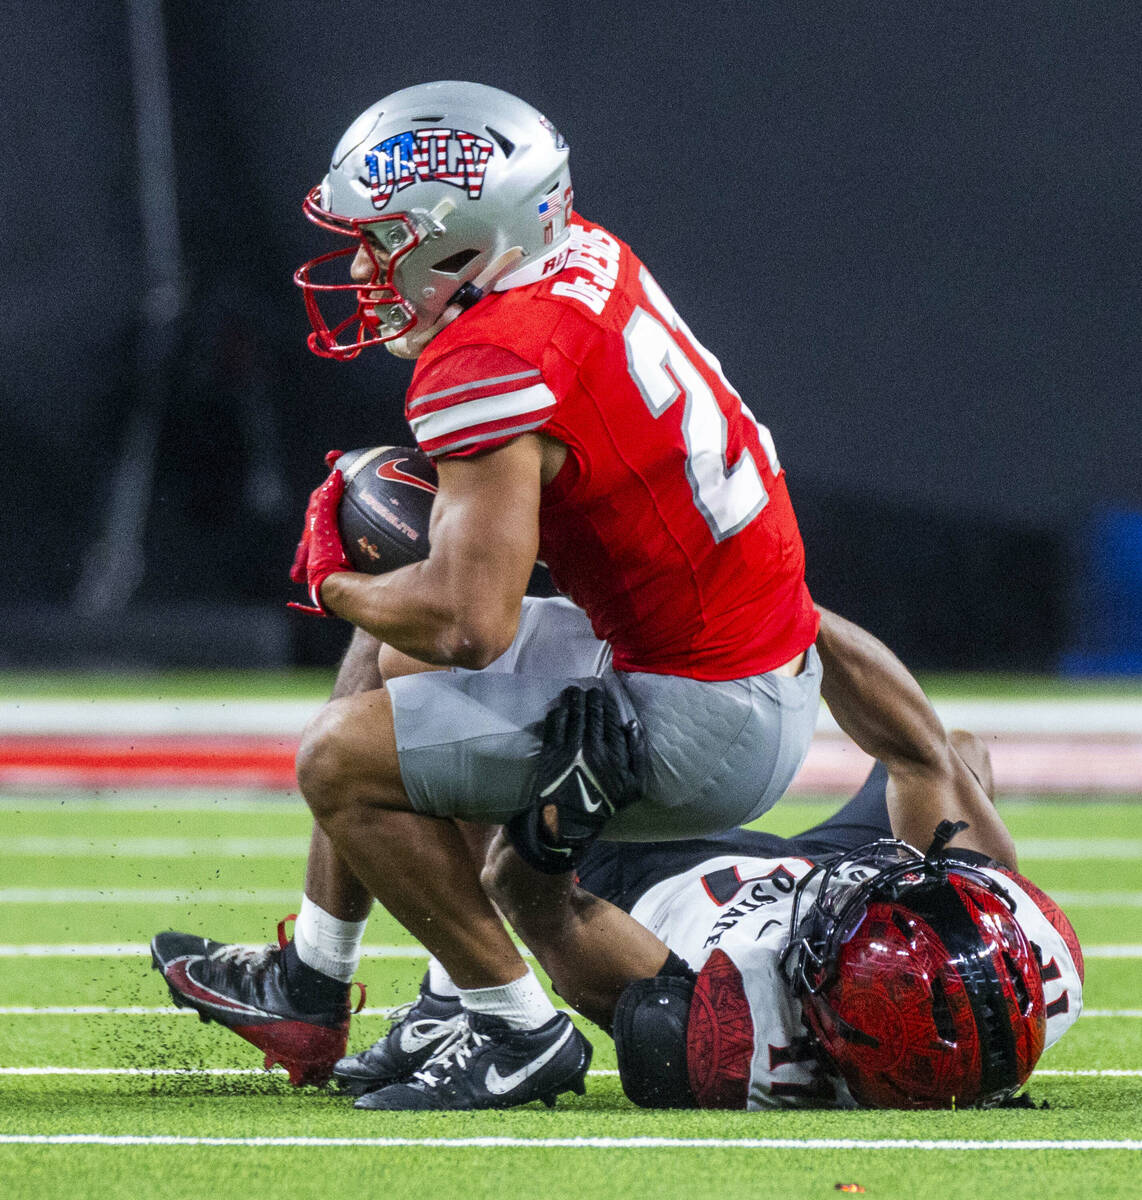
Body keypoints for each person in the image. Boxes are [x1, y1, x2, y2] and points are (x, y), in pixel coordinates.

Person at [151, 79, 821, 1109]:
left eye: (383, 241)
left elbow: (471, 626)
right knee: (393, 659)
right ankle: (315, 982)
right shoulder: (572, 252)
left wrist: (332, 581)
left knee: (342, 753)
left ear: (456, 239)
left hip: (703, 709)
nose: (366, 268)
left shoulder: (489, 356)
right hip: (723, 656)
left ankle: (514, 1030)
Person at [339, 608, 1084, 1110]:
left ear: (829, 1020)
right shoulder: (1028, 954)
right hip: (814, 867)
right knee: (955, 755)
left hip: (654, 882)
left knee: (412, 663)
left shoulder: (735, 1038)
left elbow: (533, 897)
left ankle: (451, 995)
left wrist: (553, 822)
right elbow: (921, 751)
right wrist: (783, 612)